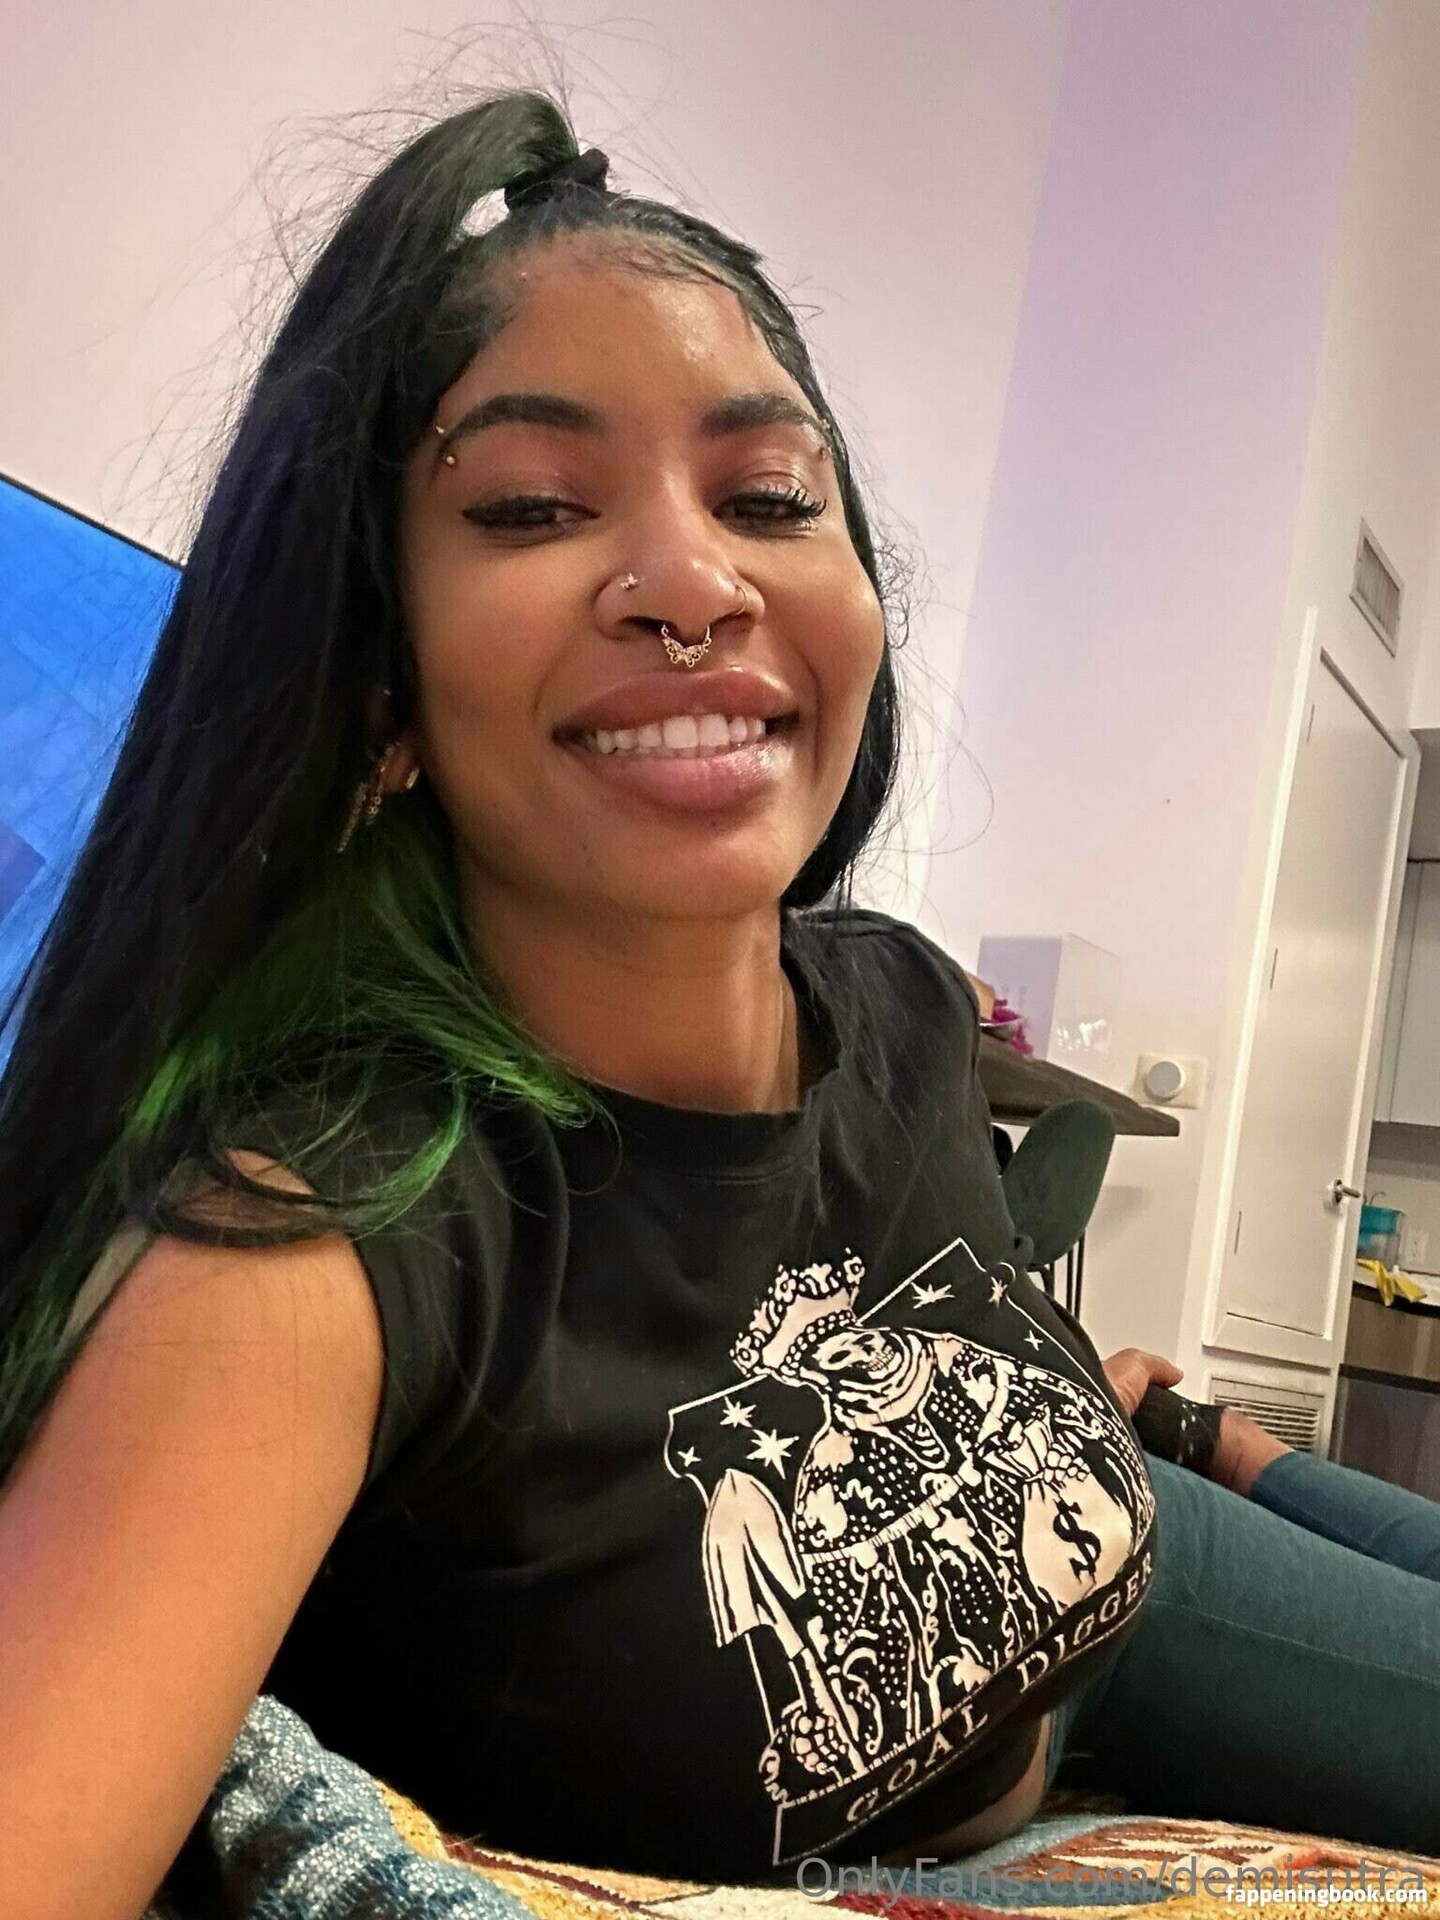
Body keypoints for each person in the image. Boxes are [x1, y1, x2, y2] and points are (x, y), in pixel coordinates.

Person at [0, 90, 1436, 1920]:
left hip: (1126, 1579)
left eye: (767, 499)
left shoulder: (904, 1008)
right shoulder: (309, 1248)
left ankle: (1210, 1434)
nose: (694, 582)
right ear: (381, 683)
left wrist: (1113, 1412)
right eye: (531, 507)